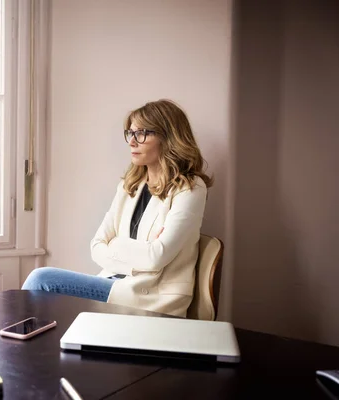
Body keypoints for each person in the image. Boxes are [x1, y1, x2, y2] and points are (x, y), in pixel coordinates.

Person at [21, 99, 213, 317]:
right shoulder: (129, 185)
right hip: (115, 283)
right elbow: (96, 246)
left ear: (168, 137)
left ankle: (17, 344)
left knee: (42, 280)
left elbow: (156, 257)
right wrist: (144, 249)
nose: (132, 142)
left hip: (152, 298)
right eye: (130, 133)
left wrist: (116, 245)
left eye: (142, 133)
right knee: (46, 303)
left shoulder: (190, 188)